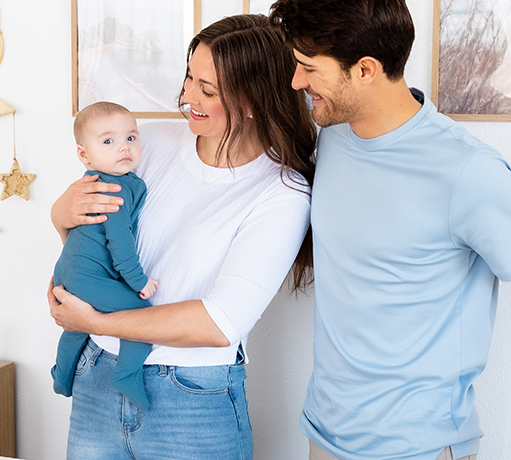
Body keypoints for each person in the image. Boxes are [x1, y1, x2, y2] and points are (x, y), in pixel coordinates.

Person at [268, 1, 511, 460]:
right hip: (324, 434)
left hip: (415, 448)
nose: (297, 81)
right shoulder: (335, 136)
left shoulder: (467, 170)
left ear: (365, 70)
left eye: (307, 69)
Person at [48, 14, 317, 460]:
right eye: (190, 76)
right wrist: (59, 216)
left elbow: (217, 324)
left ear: (254, 101)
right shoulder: (143, 145)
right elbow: (89, 240)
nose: (188, 95)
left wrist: (91, 321)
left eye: (208, 90)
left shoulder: (281, 192)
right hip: (96, 373)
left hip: (191, 399)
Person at [51, 101, 159, 412]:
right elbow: (120, 243)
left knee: (76, 325)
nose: (123, 148)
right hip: (89, 277)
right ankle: (126, 374)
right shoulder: (112, 190)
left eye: (131, 137)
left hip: (68, 271)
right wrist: (139, 281)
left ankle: (62, 374)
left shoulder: (102, 184)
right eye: (108, 141)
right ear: (84, 155)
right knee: (141, 318)